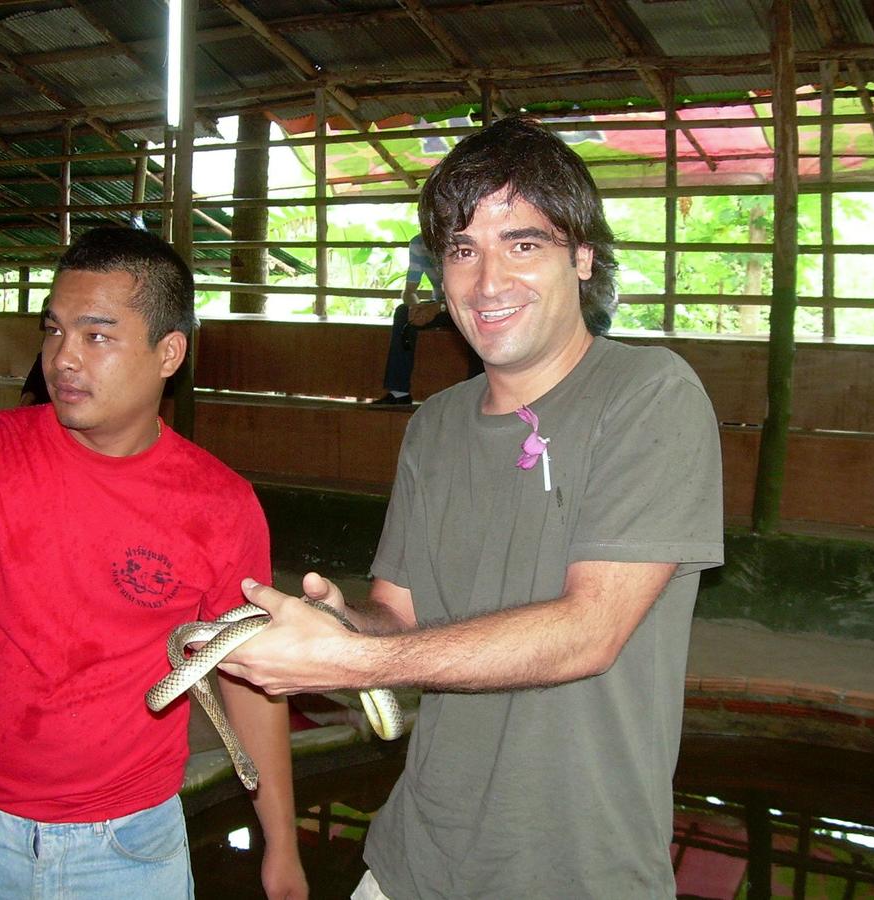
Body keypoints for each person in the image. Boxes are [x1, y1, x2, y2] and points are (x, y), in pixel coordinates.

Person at [219, 116, 724, 899]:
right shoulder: (435, 425)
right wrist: (340, 626)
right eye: (462, 250)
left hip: (577, 875)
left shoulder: (652, 394)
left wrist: (353, 661)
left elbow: (589, 633)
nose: (487, 282)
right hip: (414, 858)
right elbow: (401, 617)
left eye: (522, 244)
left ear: (583, 256)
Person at [0, 226, 308, 900]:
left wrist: (281, 843)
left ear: (169, 353)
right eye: (55, 330)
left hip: (131, 850)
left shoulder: (219, 504)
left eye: (97, 335)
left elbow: (248, 676)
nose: (64, 357)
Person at [371, 234, 469, 406]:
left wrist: (437, 308)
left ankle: (476, 396)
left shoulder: (460, 241)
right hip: (441, 306)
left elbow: (470, 293)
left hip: (468, 306)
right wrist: (416, 308)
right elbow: (409, 291)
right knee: (403, 313)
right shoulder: (418, 244)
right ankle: (399, 392)